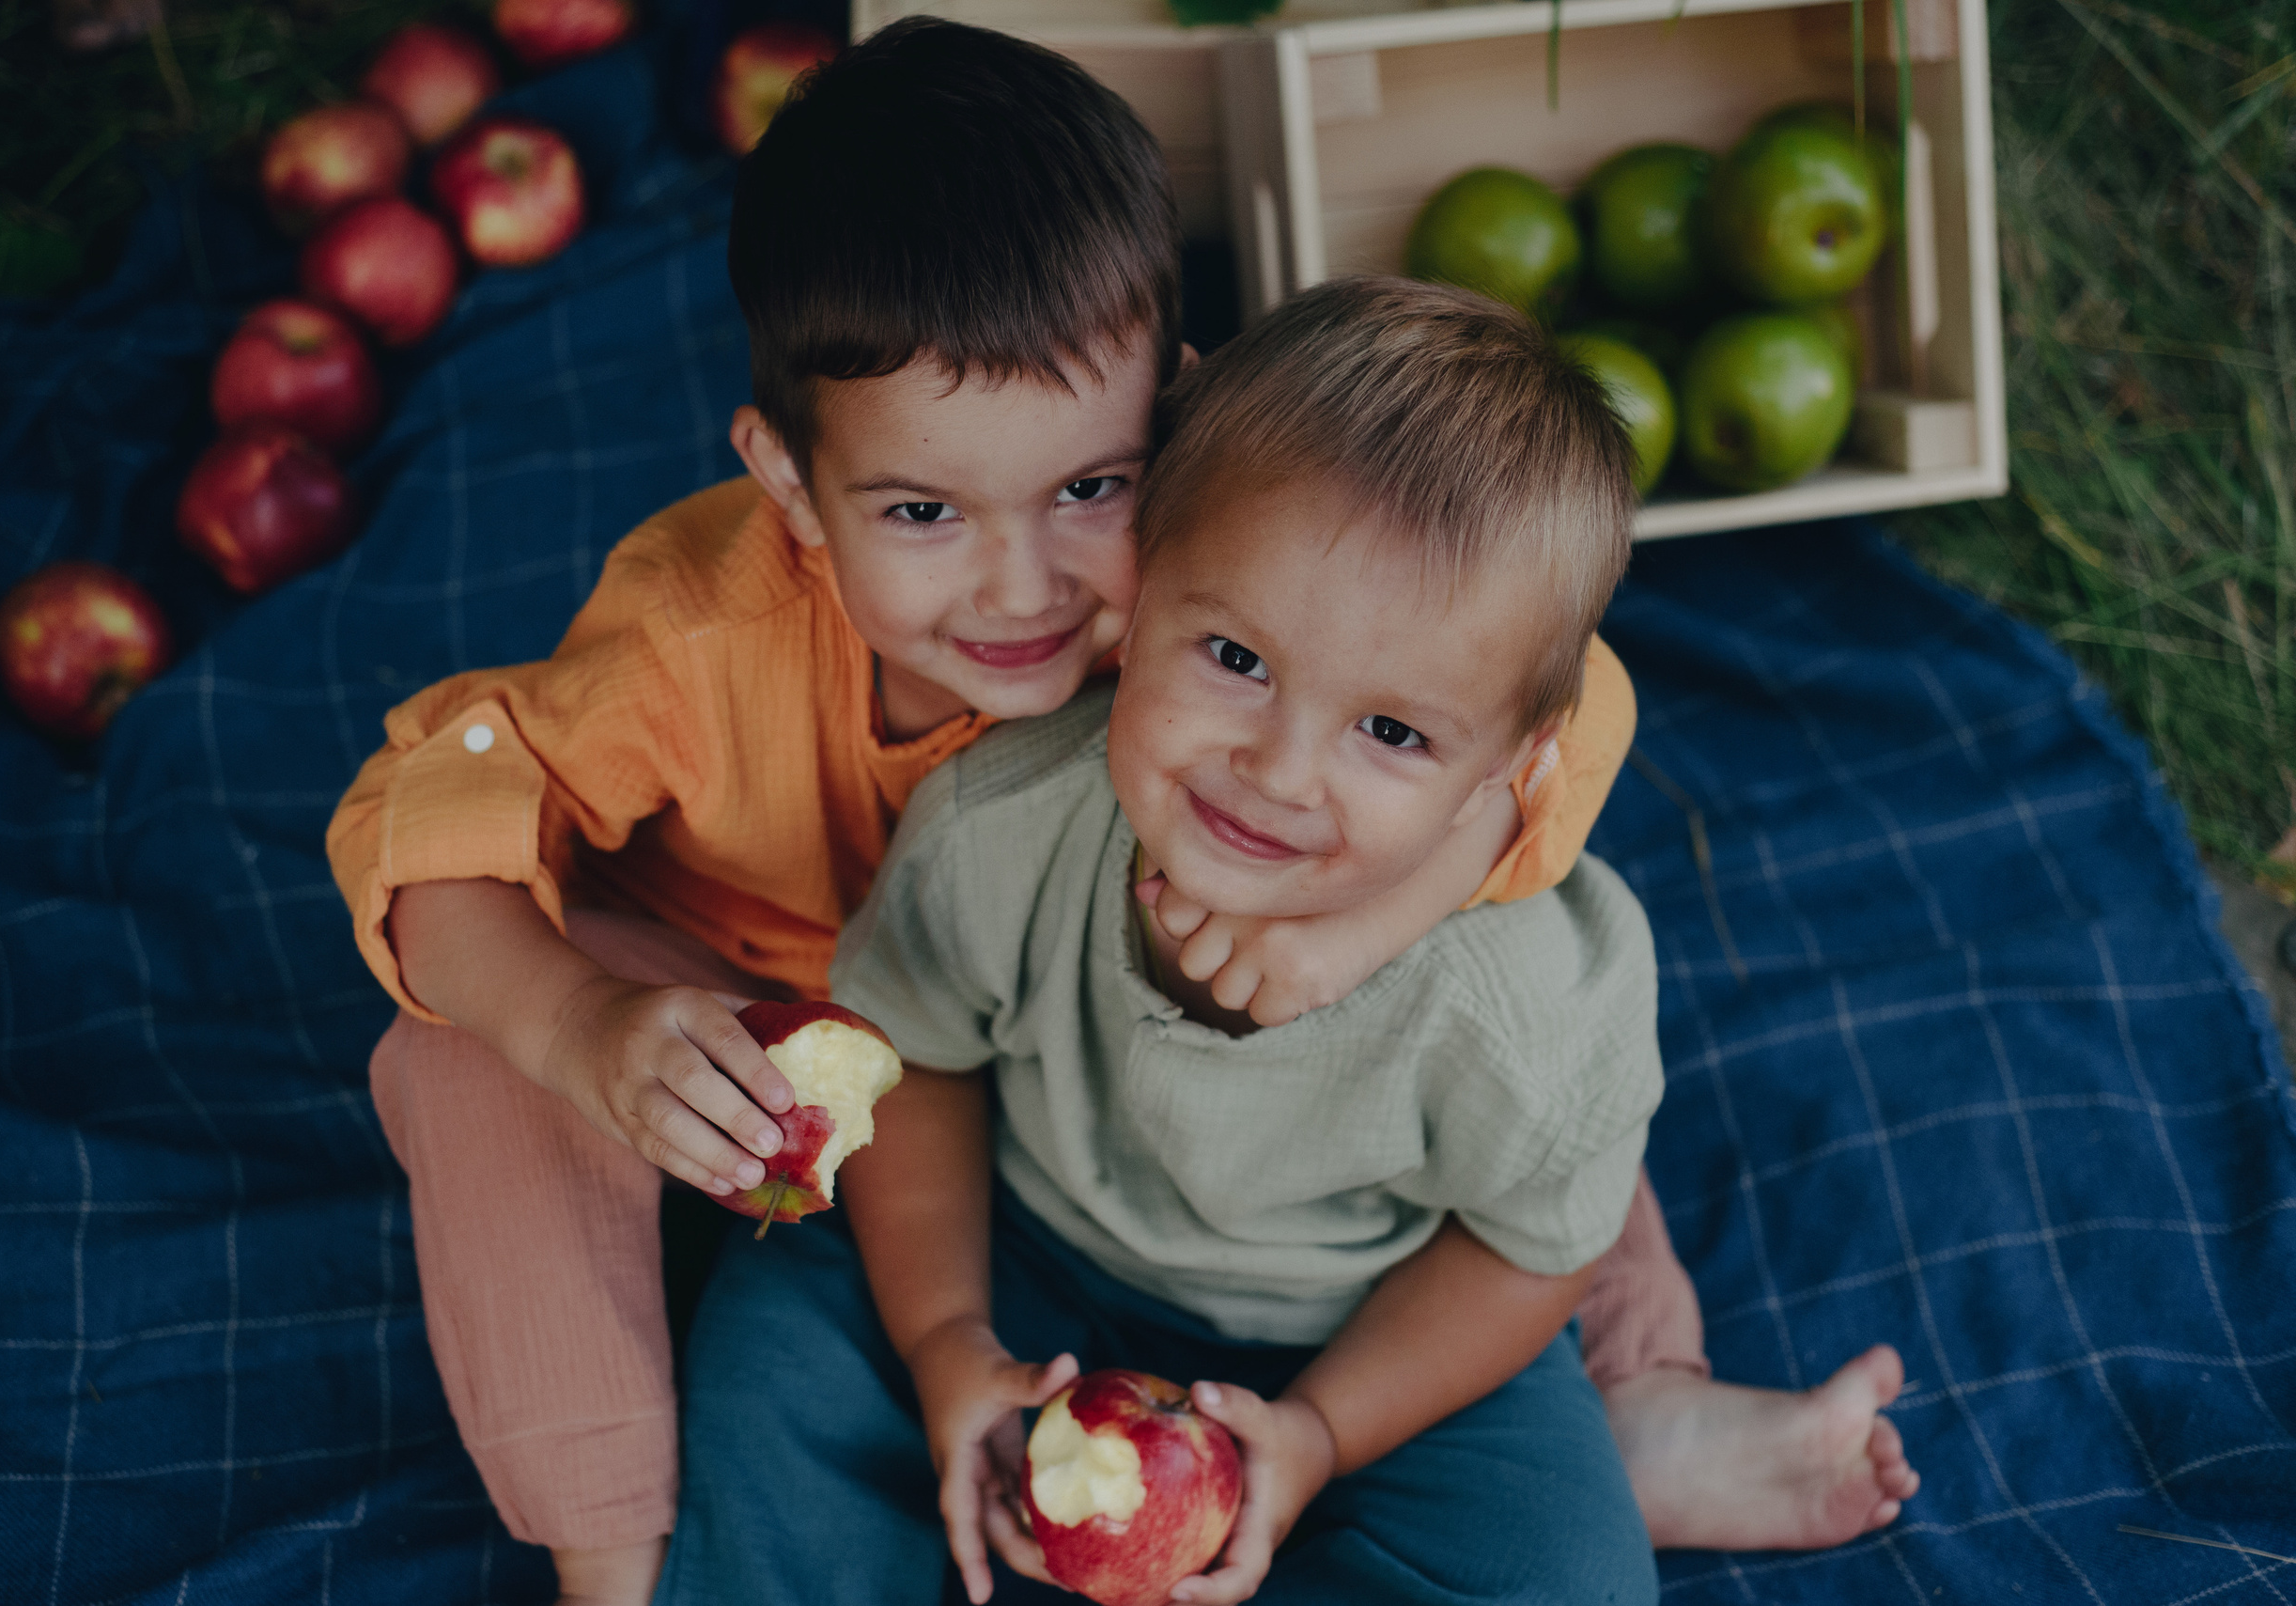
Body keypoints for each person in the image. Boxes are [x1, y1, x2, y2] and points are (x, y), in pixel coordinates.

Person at [325, 22, 1910, 1605]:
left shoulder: (1271, 616)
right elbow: (433, 813)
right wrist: (586, 1024)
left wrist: (1366, 920)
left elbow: (1550, 702)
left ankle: (1640, 1397)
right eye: (926, 512)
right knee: (480, 1065)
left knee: (1522, 1052)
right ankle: (619, 1558)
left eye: (1093, 488)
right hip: (785, 1028)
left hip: (1235, 1118)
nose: (1025, 586)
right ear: (795, 489)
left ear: (1183, 415)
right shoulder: (730, 650)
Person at [665, 279, 1917, 1606]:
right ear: (1141, 589)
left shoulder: (1529, 1004)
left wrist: (1321, 1432)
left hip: (1368, 1329)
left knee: (1563, 1574)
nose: (1276, 768)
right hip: (1019, 1237)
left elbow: (1522, 1254)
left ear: (1509, 771)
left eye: (1392, 733)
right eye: (1235, 655)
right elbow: (916, 1057)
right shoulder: (1004, 823)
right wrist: (945, 1343)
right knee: (777, 1348)